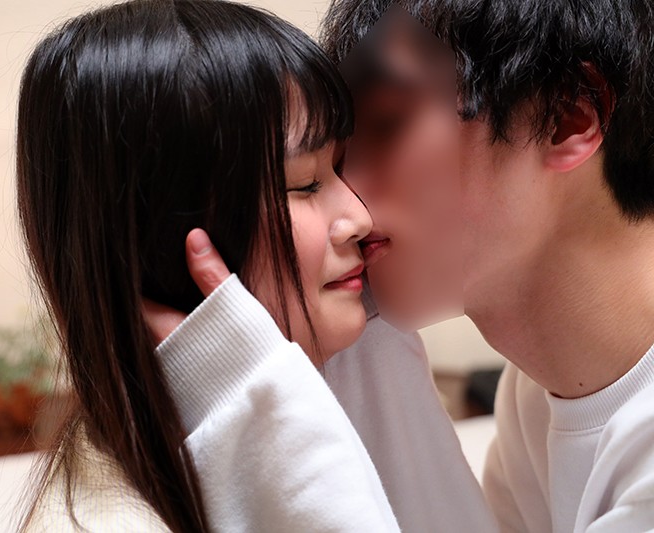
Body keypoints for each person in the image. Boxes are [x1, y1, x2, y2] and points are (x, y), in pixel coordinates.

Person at [160, 0, 654, 531]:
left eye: (385, 122)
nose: (352, 202)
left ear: (566, 117)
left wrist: (259, 411)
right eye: (321, 171)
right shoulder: (539, 391)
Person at [14, 0, 399, 530]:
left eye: (339, 167)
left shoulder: (367, 356)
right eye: (305, 183)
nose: (359, 216)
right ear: (162, 242)